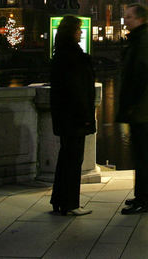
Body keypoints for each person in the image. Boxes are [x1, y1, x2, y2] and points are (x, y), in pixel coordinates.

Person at [49, 15, 96, 216]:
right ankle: (70, 204)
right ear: (71, 32)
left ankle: (59, 201)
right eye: (78, 29)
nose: (81, 32)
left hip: (64, 116)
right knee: (73, 160)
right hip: (75, 117)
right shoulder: (73, 57)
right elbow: (78, 90)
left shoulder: (60, 54)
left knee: (65, 158)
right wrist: (86, 116)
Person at [117, 3, 148, 214]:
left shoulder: (142, 42)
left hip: (141, 109)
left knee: (142, 157)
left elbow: (141, 76)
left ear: (140, 19)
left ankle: (145, 199)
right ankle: (141, 196)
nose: (126, 20)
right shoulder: (140, 40)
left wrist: (132, 104)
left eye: (130, 17)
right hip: (141, 108)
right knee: (140, 156)